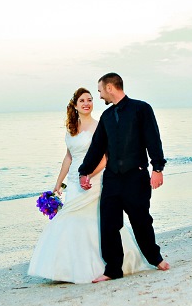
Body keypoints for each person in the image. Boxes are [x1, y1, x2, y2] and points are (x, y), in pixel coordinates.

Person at [28, 87, 152, 284]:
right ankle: (65, 268)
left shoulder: (99, 125)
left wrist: (87, 176)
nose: (87, 103)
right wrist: (58, 184)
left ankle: (106, 265)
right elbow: (68, 156)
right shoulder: (71, 128)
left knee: (95, 220)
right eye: (82, 101)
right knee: (70, 218)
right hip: (74, 181)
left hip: (93, 179)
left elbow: (106, 157)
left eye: (90, 99)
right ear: (75, 106)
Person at [78, 73, 170, 283]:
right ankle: (113, 270)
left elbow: (153, 138)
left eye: (100, 90)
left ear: (110, 88)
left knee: (141, 221)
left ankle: (155, 259)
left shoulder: (141, 109)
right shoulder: (107, 117)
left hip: (135, 177)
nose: (99, 96)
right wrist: (84, 171)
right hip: (112, 179)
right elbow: (97, 147)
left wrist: (157, 168)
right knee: (109, 225)